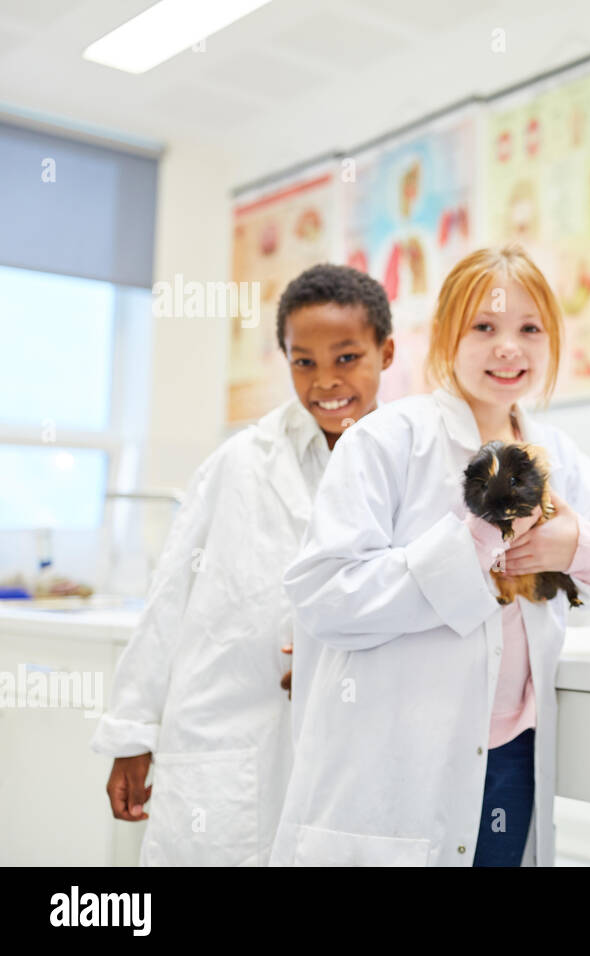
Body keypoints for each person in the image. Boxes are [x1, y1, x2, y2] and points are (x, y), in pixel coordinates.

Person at [270, 245, 590, 867]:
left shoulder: (559, 455)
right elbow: (324, 595)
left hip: (512, 756)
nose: (509, 347)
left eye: (530, 328)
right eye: (484, 327)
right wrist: (473, 545)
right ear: (446, 335)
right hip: (398, 763)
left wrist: (579, 544)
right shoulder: (390, 441)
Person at [92, 264, 394, 865]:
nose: (325, 380)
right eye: (302, 361)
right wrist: (132, 733)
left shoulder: (410, 462)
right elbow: (167, 602)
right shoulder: (237, 465)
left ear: (386, 353)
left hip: (354, 742)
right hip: (229, 736)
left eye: (347, 357)